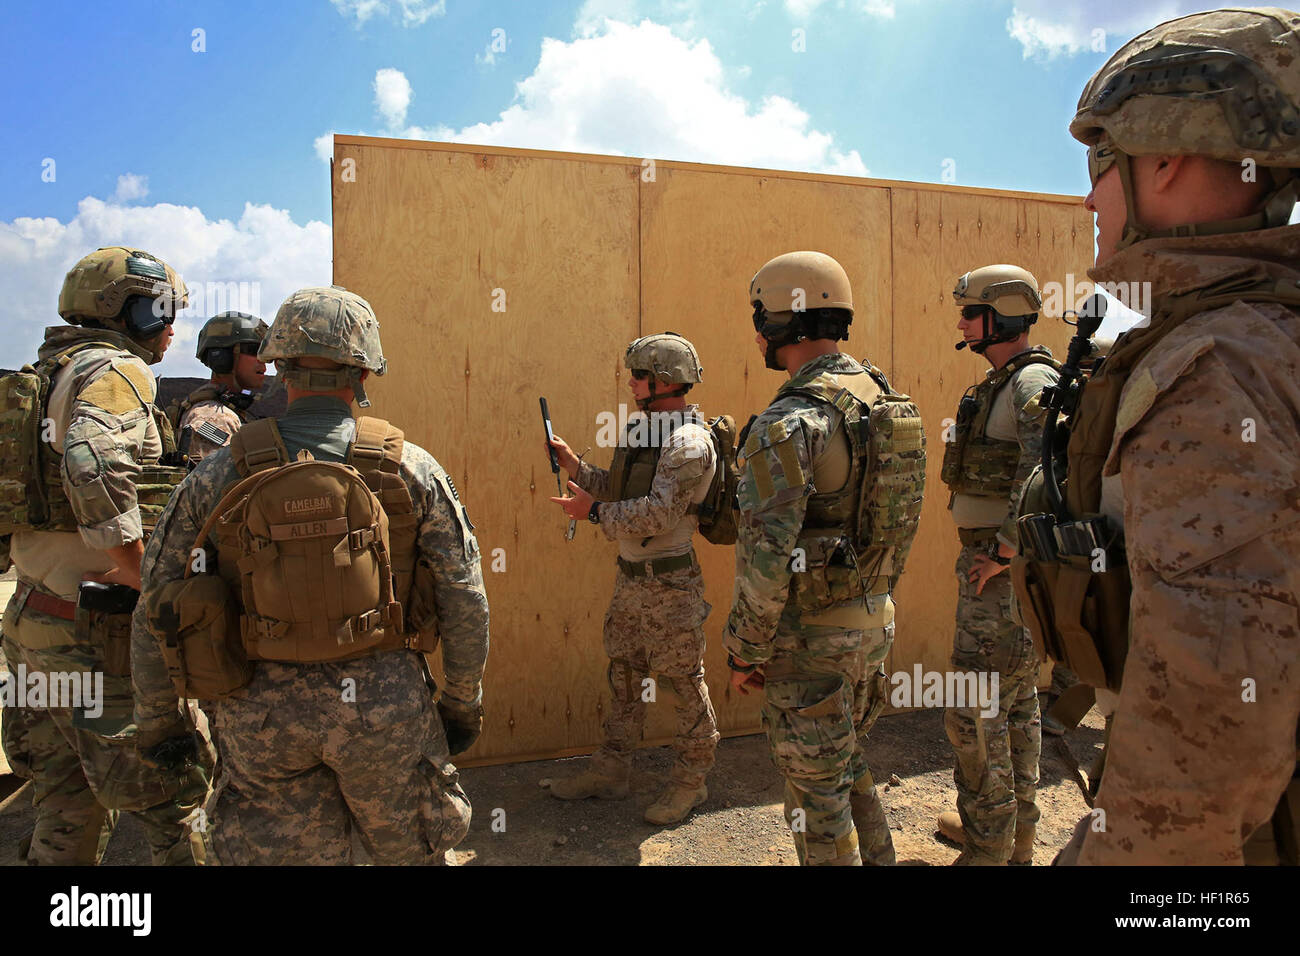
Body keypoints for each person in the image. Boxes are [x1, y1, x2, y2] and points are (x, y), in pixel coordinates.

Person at [1046, 6, 1300, 864]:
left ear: (1164, 153)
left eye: (1099, 161)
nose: (1088, 194)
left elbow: (1207, 735)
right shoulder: (1267, 334)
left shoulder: (1215, 366)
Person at [132, 285, 490, 864]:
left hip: (259, 711)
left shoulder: (218, 472)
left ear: (277, 365)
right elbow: (465, 596)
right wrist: (461, 701)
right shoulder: (411, 468)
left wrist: (159, 722)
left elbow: (157, 602)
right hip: (384, 707)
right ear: (364, 373)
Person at [0, 246, 205, 864]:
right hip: (99, 635)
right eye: (162, 311)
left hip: (34, 624)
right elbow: (92, 460)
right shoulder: (117, 373)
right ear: (127, 312)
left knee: (66, 806)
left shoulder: (44, 375)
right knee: (180, 802)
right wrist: (138, 569)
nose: (172, 327)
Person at [724, 250, 926, 865]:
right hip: (872, 624)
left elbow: (766, 554)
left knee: (815, 798)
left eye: (762, 315)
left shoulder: (791, 421)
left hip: (810, 641)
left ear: (788, 321)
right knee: (844, 762)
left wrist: (746, 648)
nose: (757, 330)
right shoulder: (887, 401)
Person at [547, 333, 721, 825]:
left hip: (670, 586)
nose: (631, 382)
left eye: (640, 375)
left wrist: (594, 512)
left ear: (665, 381)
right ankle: (611, 771)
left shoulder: (688, 443)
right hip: (631, 581)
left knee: (683, 684)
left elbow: (659, 515)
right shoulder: (647, 433)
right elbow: (622, 489)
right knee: (625, 677)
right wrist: (576, 467)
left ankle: (692, 781)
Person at [935, 264, 1059, 865]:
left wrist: (1006, 550)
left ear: (1002, 315)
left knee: (973, 708)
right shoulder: (1005, 382)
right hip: (996, 566)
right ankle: (1013, 841)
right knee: (1013, 706)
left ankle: (988, 847)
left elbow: (1046, 471)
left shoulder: (1031, 384)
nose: (961, 322)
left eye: (970, 311)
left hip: (999, 571)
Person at [168, 311, 268, 463]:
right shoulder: (212, 418)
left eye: (264, 353)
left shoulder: (228, 411)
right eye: (253, 351)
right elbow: (211, 484)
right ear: (222, 357)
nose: (263, 360)